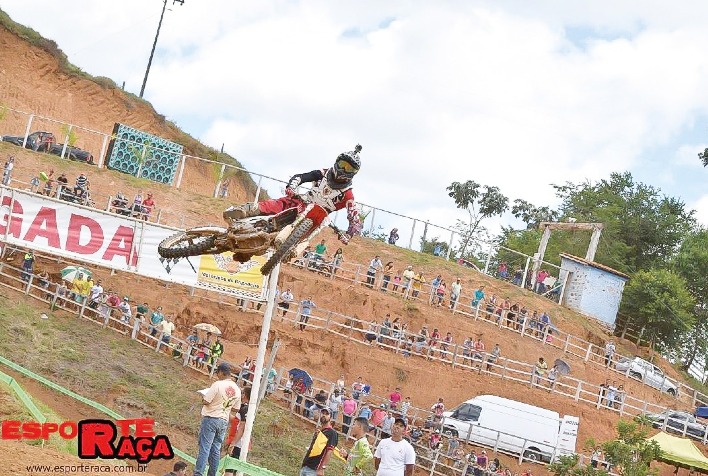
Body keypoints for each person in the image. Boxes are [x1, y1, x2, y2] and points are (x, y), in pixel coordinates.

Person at [223, 145, 363, 244]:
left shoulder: (348, 195)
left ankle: (291, 249)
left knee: (310, 236)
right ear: (337, 162)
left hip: (317, 218)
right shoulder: (324, 173)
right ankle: (244, 210)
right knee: (277, 204)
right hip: (302, 202)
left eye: (349, 168)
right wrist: (292, 187)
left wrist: (349, 234)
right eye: (343, 164)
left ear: (354, 172)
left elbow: (354, 218)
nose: (344, 169)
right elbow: (301, 177)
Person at [194, 362, 241, 476]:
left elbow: (207, 401)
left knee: (205, 447)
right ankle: (212, 474)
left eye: (217, 372)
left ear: (221, 372)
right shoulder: (237, 389)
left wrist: (203, 397)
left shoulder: (218, 384)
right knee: (215, 449)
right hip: (223, 420)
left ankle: (199, 473)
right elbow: (236, 408)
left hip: (211, 418)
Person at [300, 408, 338, 476]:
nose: (324, 415)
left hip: (314, 469)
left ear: (330, 417)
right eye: (323, 413)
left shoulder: (332, 433)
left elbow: (329, 451)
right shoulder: (319, 432)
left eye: (327, 414)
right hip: (305, 465)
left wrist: (322, 469)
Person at [224, 387, 251, 475]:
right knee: (233, 470)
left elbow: (241, 428)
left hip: (238, 443)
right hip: (240, 442)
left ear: (244, 395)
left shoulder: (245, 409)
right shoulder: (245, 408)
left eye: (242, 393)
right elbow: (235, 420)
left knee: (229, 469)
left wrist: (233, 443)